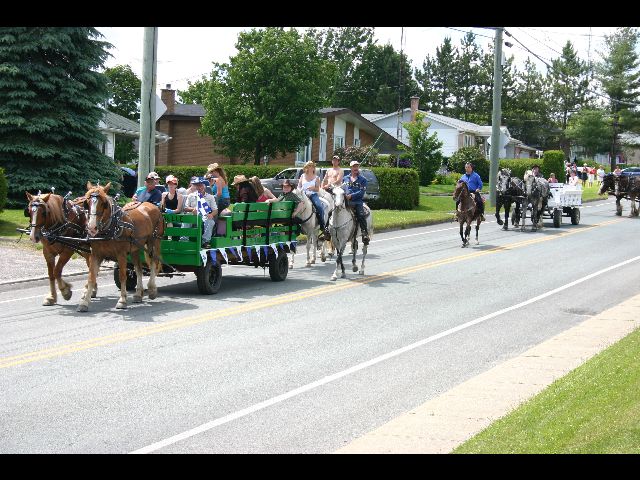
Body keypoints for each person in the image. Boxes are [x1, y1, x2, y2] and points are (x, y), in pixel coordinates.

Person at [183, 177, 218, 249]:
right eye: (198, 185)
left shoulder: (210, 197)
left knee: (210, 222)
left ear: (204, 186)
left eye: (201, 185)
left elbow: (215, 210)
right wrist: (193, 209)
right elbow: (185, 208)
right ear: (195, 187)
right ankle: (184, 240)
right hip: (193, 216)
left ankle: (205, 242)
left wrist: (211, 214)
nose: (200, 187)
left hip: (204, 216)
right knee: (187, 219)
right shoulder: (191, 195)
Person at [299, 161, 330, 240]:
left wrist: (313, 188)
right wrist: (299, 191)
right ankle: (297, 226)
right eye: (308, 166)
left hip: (313, 195)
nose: (310, 168)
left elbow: (317, 189)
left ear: (313, 168)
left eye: (311, 166)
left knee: (319, 207)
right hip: (303, 195)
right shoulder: (302, 176)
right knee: (296, 207)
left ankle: (323, 226)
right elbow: (299, 186)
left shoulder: (316, 177)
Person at [342, 160, 370, 245]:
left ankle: (365, 234)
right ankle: (329, 231)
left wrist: (351, 196)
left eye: (357, 166)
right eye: (354, 166)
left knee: (361, 215)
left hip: (357, 202)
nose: (356, 168)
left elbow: (361, 192)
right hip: (346, 201)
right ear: (350, 168)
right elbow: (343, 188)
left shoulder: (363, 180)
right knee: (334, 211)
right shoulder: (345, 178)